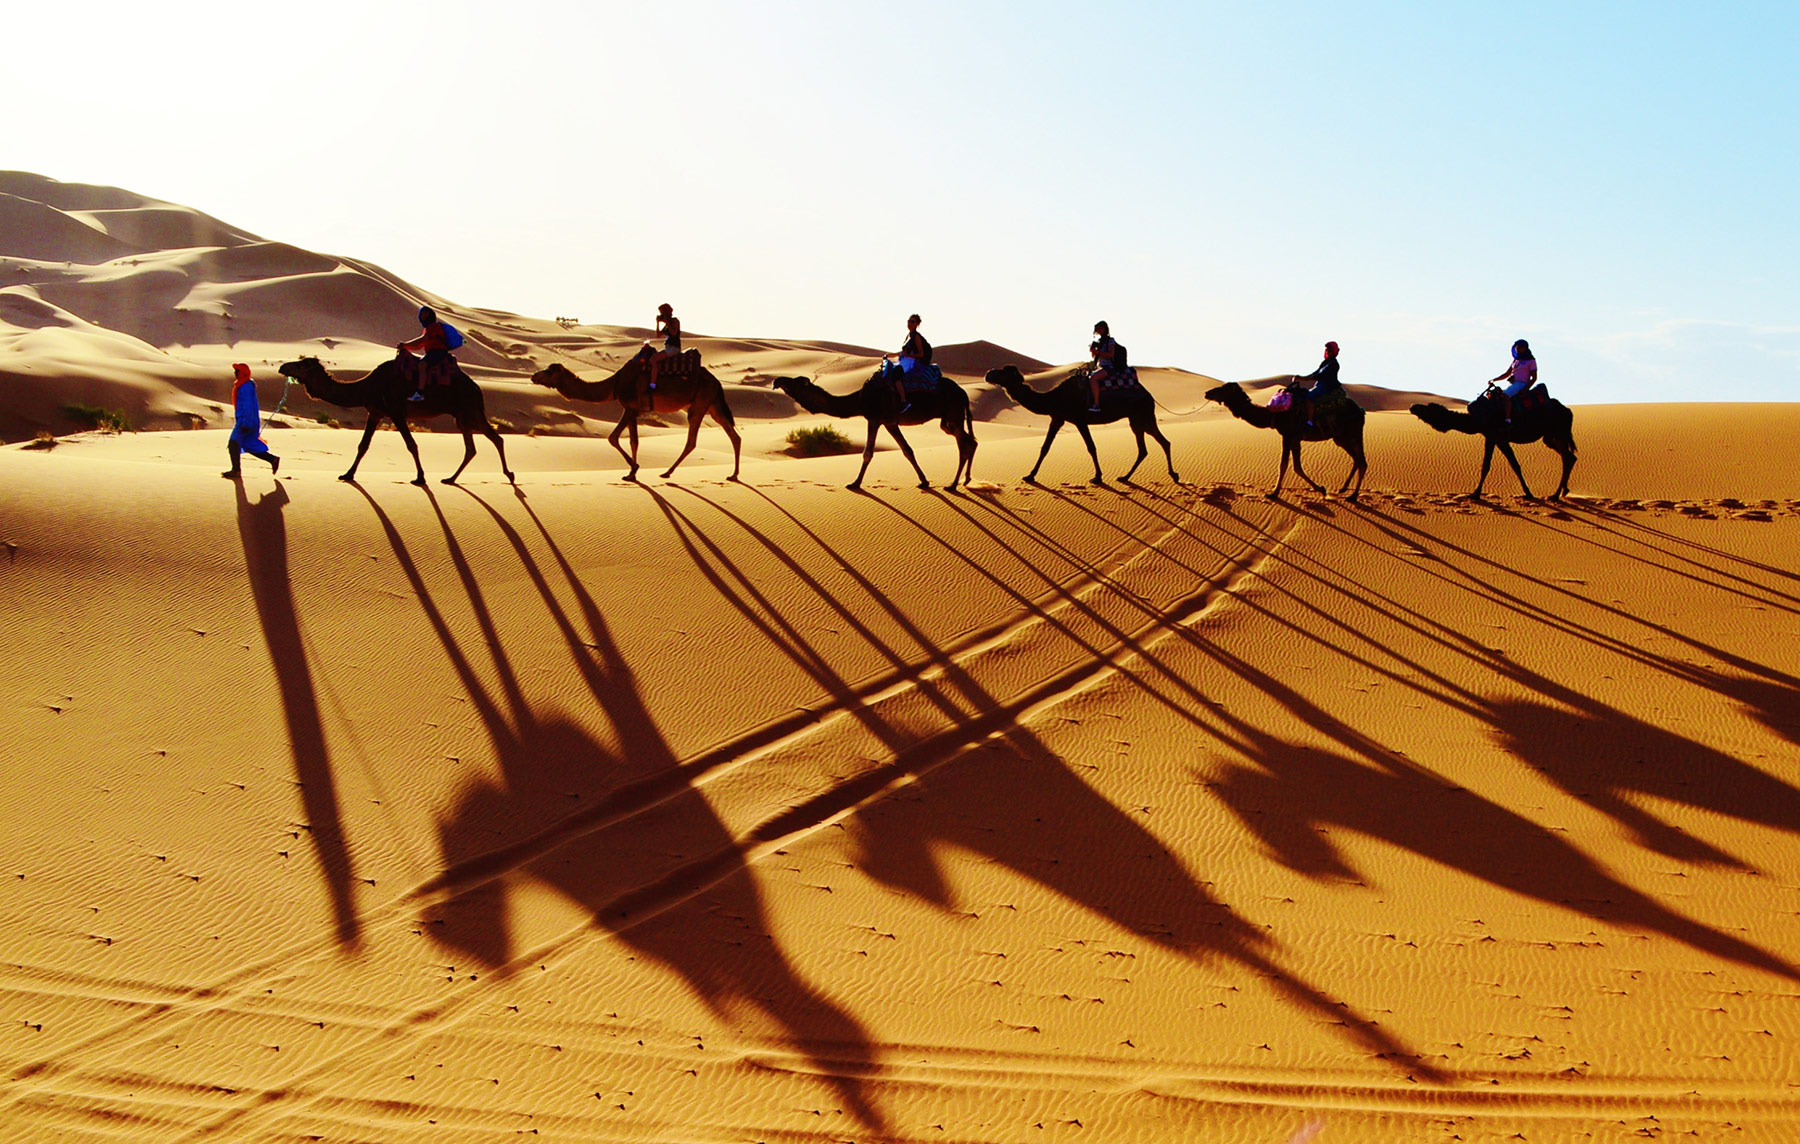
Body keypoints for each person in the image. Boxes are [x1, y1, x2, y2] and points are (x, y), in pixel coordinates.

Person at [223, 362, 280, 478]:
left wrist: (246, 423)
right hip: (247, 420)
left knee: (233, 442)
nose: (235, 373)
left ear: (242, 373)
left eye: (237, 371)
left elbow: (248, 405)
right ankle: (272, 459)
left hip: (246, 421)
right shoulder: (244, 385)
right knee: (248, 444)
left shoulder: (245, 387)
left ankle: (236, 470)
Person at [400, 305, 456, 401]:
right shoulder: (428, 328)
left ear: (430, 315)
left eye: (425, 313)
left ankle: (420, 393)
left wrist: (405, 344)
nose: (422, 316)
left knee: (422, 364)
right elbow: (419, 346)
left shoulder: (434, 327)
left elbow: (422, 340)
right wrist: (405, 347)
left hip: (438, 353)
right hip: (431, 353)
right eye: (421, 313)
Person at [884, 313, 930, 411]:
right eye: (909, 321)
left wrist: (909, 356)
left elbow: (921, 354)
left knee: (896, 374)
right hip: (905, 360)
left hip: (912, 362)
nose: (909, 323)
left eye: (912, 322)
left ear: (917, 324)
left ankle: (904, 401)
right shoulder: (908, 336)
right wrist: (889, 355)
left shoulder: (916, 337)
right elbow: (903, 352)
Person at [1295, 341, 1342, 427]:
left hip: (1327, 386)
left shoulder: (1333, 364)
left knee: (1308, 398)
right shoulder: (1325, 363)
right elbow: (1315, 373)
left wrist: (1303, 378)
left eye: (1330, 350)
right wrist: (1302, 377)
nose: (1328, 351)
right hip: (1320, 385)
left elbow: (1320, 376)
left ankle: (1310, 421)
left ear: (1334, 351)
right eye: (1327, 350)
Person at [1490, 339, 1537, 424]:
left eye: (1519, 348)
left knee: (1505, 395)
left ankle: (1508, 419)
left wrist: (1526, 388)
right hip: (1514, 384)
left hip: (1522, 384)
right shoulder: (1516, 360)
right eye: (1516, 348)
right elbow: (1507, 374)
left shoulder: (1531, 361)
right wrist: (1494, 380)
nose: (1517, 349)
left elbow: (1534, 377)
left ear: (1525, 348)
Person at [647, 302, 682, 396]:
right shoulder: (667, 324)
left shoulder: (675, 321)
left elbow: (674, 333)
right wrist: (657, 323)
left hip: (674, 348)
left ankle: (652, 385)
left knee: (653, 360)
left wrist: (667, 321)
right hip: (669, 347)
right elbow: (658, 335)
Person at [1087, 321, 1118, 412]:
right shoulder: (1099, 341)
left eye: (1099, 329)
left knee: (1093, 378)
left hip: (1109, 368)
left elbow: (1110, 355)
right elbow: (1095, 357)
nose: (1097, 331)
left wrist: (1098, 352)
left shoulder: (1110, 340)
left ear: (1104, 329)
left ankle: (1097, 404)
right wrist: (1093, 351)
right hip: (1100, 367)